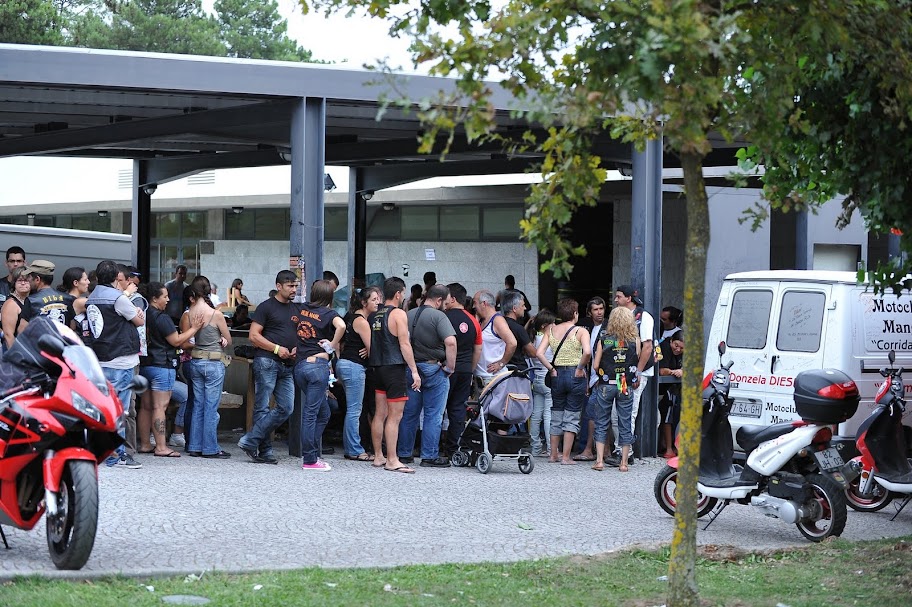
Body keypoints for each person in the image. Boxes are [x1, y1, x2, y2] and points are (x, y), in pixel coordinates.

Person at [237, 270, 301, 464]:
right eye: (290, 286)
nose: (294, 290)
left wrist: (297, 347)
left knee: (286, 407)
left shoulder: (296, 309)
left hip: (288, 364)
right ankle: (264, 451)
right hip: (267, 361)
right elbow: (253, 336)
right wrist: (276, 349)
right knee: (262, 408)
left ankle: (250, 440)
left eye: (296, 286)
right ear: (278, 286)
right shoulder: (266, 307)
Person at [86, 260, 145, 469]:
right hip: (121, 359)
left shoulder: (92, 297)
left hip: (101, 357)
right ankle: (116, 454)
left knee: (104, 408)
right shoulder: (118, 298)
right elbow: (139, 321)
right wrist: (137, 313)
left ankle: (102, 451)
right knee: (120, 410)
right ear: (114, 278)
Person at [137, 282, 204, 458]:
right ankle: (161, 447)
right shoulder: (162, 317)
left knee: (145, 406)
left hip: (145, 364)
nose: (168, 300)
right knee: (160, 407)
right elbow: (176, 341)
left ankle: (145, 444)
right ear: (154, 298)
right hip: (162, 365)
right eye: (164, 296)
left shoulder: (142, 313)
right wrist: (194, 329)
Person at [398, 283, 457, 468]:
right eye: (446, 303)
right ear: (438, 300)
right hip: (434, 369)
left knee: (409, 414)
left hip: (411, 369)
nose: (446, 307)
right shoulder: (439, 316)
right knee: (433, 414)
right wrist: (450, 367)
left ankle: (404, 453)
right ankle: (429, 456)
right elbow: (451, 342)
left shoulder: (408, 314)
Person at [368, 277, 421, 473]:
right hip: (394, 368)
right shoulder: (398, 314)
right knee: (395, 416)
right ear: (398, 293)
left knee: (380, 414)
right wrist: (414, 370)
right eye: (404, 293)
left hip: (377, 368)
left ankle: (378, 456)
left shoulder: (375, 314)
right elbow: (404, 344)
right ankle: (392, 459)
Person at [293, 279, 346, 471]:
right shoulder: (329, 313)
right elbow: (341, 326)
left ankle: (313, 452)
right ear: (329, 296)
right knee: (311, 414)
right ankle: (309, 460)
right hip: (317, 368)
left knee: (324, 413)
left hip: (300, 368)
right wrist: (332, 345)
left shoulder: (301, 308)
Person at [182, 275, 232, 459]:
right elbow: (229, 338)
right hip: (213, 363)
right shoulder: (215, 314)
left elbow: (188, 339)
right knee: (211, 407)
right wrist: (223, 338)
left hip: (195, 361)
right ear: (209, 291)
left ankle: (194, 445)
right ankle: (210, 447)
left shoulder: (189, 314)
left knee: (197, 405)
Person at [535, 297, 590, 465]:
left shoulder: (551, 331)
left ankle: (553, 455)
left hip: (557, 374)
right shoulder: (581, 331)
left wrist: (551, 369)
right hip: (575, 374)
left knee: (556, 413)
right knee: (572, 415)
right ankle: (566, 457)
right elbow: (587, 352)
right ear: (574, 313)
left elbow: (539, 353)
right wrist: (580, 368)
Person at [607, 285, 656, 467]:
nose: (615, 300)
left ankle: (624, 453)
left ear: (629, 298)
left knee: (627, 413)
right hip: (621, 374)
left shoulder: (644, 317)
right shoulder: (621, 317)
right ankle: (624, 451)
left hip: (634, 373)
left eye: (618, 296)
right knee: (617, 414)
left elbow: (648, 346)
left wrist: (637, 373)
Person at [590, 306, 641, 472]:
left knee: (601, 421)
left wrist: (603, 373)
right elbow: (635, 362)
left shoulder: (604, 339)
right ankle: (624, 463)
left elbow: (596, 365)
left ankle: (599, 461)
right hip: (624, 382)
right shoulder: (635, 341)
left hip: (607, 382)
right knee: (625, 421)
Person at [336, 286, 381, 462]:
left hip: (346, 364)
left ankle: (352, 447)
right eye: (374, 299)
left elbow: (342, 343)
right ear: (364, 302)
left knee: (352, 409)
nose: (378, 302)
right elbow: (373, 349)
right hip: (354, 366)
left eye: (378, 298)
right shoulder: (361, 321)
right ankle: (354, 449)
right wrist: (368, 350)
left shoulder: (351, 316)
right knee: (355, 410)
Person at [442, 282, 481, 458]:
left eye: (446, 296)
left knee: (438, 409)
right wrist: (471, 370)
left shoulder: (443, 317)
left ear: (453, 298)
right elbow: (478, 348)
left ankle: (434, 447)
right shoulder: (473, 319)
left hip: (445, 370)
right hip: (465, 370)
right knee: (458, 409)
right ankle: (453, 448)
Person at [574, 296, 607, 462]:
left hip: (604, 378)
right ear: (589, 312)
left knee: (592, 414)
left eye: (601, 308)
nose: (599, 312)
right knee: (594, 414)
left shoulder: (608, 327)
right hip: (593, 378)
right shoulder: (587, 329)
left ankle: (589, 450)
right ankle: (601, 451)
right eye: (596, 309)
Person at [472, 289, 517, 386]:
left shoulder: (497, 320)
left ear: (484, 303)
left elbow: (512, 343)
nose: (473, 306)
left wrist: (501, 363)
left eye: (475, 303)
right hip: (481, 378)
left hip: (493, 378)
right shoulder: (481, 320)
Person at [527, 309, 555, 457]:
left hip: (536, 380)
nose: (555, 325)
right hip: (548, 378)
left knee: (536, 415)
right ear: (545, 325)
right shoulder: (548, 339)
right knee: (548, 415)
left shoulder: (532, 339)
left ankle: (536, 447)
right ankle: (551, 448)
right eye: (553, 323)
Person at [19, 259, 74, 329]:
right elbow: (73, 326)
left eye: (29, 277)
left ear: (37, 279)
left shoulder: (32, 300)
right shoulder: (67, 298)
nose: (28, 280)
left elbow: (22, 329)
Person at [658, 330, 684, 458]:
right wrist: (674, 372)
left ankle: (672, 445)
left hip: (675, 390)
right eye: (676, 345)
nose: (678, 349)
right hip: (660, 391)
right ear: (671, 341)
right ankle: (668, 448)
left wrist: (683, 370)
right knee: (667, 416)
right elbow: (661, 370)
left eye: (682, 348)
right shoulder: (663, 348)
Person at [1, 267, 31, 350]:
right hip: (12, 350)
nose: (23, 283)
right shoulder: (11, 304)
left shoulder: (29, 301)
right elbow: (8, 335)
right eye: (20, 280)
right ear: (14, 283)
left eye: (26, 280)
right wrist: (16, 356)